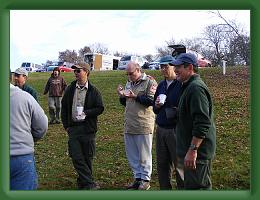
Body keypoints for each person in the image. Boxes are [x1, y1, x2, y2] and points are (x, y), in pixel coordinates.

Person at [171, 53, 216, 190]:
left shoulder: (196, 88)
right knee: (188, 187)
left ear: (190, 67)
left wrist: (193, 150)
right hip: (185, 151)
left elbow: (202, 122)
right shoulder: (187, 86)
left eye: (178, 67)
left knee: (198, 189)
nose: (175, 70)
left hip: (196, 154)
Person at [61, 63, 104, 190]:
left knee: (87, 157)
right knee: (76, 157)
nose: (75, 73)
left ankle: (83, 182)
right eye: (75, 71)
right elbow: (64, 107)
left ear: (86, 72)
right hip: (73, 128)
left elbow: (100, 108)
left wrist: (87, 113)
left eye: (78, 71)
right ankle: (90, 184)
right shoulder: (70, 89)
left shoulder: (94, 90)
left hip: (88, 129)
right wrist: (66, 126)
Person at [116, 61, 157, 190]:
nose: (129, 76)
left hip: (143, 124)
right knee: (132, 154)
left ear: (138, 70)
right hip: (130, 124)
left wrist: (135, 96)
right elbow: (126, 103)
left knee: (144, 154)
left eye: (131, 73)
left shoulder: (150, 82)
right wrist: (121, 95)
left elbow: (151, 101)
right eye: (127, 74)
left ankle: (145, 180)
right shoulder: (129, 82)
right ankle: (137, 178)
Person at [10, 70, 48, 190]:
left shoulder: (29, 93)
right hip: (21, 157)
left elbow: (36, 120)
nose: (16, 78)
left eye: (18, 76)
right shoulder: (24, 96)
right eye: (15, 76)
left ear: (25, 78)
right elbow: (42, 125)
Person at [153, 55, 183, 190]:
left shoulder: (181, 84)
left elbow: (185, 109)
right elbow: (154, 108)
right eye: (161, 67)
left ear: (173, 66)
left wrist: (173, 111)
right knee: (162, 165)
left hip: (175, 130)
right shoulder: (161, 85)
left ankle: (183, 191)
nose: (163, 69)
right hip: (160, 129)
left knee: (179, 165)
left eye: (166, 66)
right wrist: (157, 106)